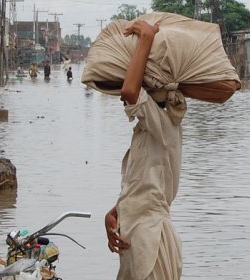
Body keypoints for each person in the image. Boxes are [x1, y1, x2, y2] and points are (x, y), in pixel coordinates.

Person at [102, 20, 185, 280]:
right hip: (136, 239)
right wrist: (115, 212)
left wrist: (147, 38)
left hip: (151, 242)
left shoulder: (164, 125)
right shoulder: (145, 132)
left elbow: (129, 90)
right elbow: (142, 189)